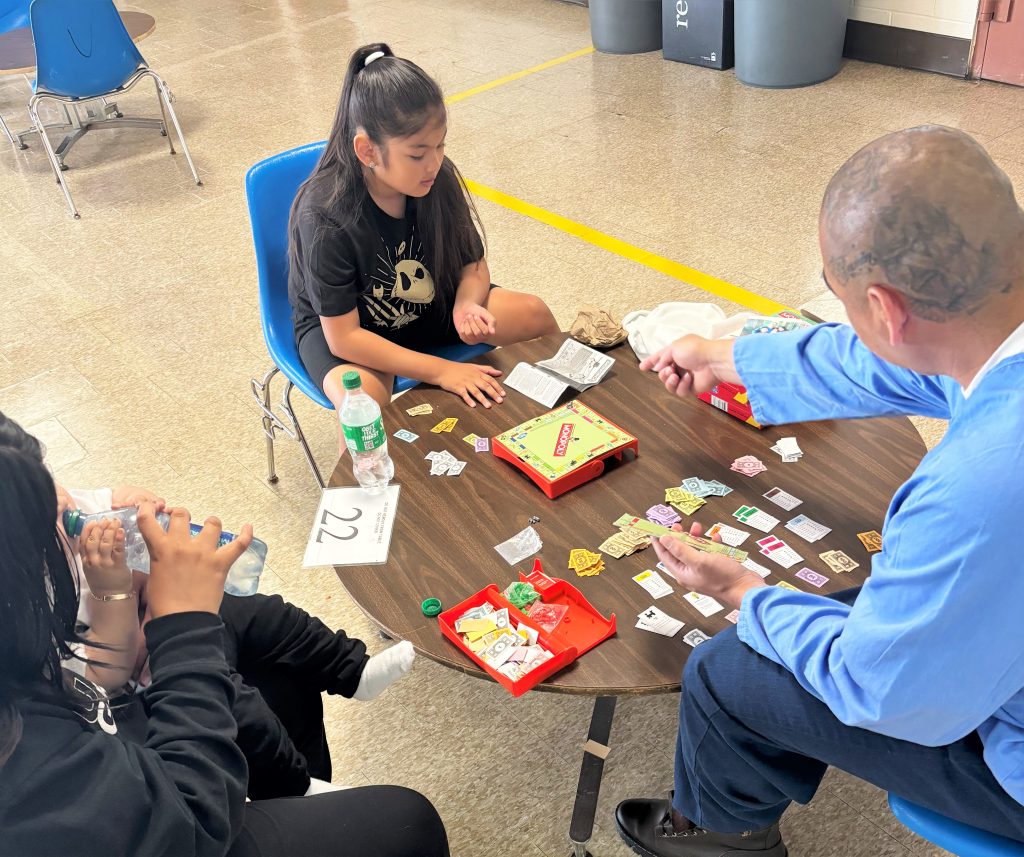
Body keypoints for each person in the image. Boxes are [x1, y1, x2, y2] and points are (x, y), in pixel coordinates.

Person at [616, 125, 1024, 857]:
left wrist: (747, 590)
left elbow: (881, 690)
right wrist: (723, 355)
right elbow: (885, 363)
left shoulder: (974, 488)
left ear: (887, 309)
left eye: (850, 308)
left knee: (723, 670)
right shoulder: (992, 309)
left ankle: (717, 840)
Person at [0, 412, 450, 857]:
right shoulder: (30, 763)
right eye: (46, 530)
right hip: (170, 792)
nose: (67, 523)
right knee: (407, 819)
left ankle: (321, 738)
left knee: (271, 652)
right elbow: (186, 820)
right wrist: (176, 625)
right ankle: (300, 786)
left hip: (139, 694)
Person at [58, 480, 416, 800]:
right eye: (49, 516)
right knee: (241, 705)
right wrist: (114, 592)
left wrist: (129, 499)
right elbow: (106, 676)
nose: (64, 507)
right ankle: (299, 786)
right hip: (146, 662)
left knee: (271, 615)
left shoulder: (68, 504)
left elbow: (108, 495)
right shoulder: (44, 603)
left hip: (171, 608)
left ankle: (353, 671)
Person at [288, 42, 560, 439]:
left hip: (431, 305)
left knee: (533, 313)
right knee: (363, 412)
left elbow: (473, 262)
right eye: (417, 154)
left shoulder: (437, 177)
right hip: (355, 333)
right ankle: (374, 498)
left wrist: (466, 304)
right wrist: (442, 370)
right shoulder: (323, 213)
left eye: (441, 144)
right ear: (367, 151)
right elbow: (343, 336)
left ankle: (554, 429)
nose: (434, 163)